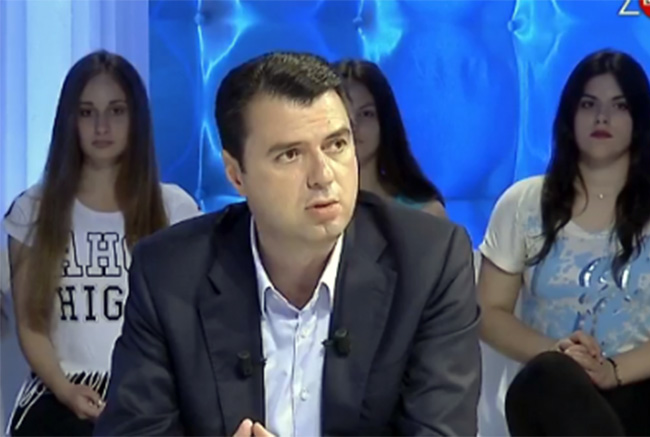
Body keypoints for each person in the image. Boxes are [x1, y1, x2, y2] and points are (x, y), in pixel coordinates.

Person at [93, 51, 481, 437]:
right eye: (291, 154)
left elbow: (441, 430)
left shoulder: (429, 262)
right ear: (236, 175)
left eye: (336, 145)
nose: (323, 175)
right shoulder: (170, 274)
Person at [477, 49, 650, 436]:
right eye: (589, 104)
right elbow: (489, 311)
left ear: (640, 120)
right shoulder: (522, 203)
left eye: (619, 106)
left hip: (646, 390)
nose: (602, 117)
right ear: (569, 116)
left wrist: (612, 370)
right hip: (551, 387)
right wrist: (561, 356)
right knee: (545, 381)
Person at [2, 50, 201, 436]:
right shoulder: (32, 210)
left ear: (136, 118)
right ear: (69, 120)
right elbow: (31, 324)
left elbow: (187, 325)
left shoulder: (175, 209)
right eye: (87, 112)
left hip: (149, 394)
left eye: (117, 111)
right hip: (57, 392)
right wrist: (64, 389)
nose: (102, 126)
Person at [334, 59, 447, 217]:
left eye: (366, 114)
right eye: (343, 113)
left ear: (385, 121)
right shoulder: (307, 216)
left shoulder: (425, 214)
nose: (354, 125)